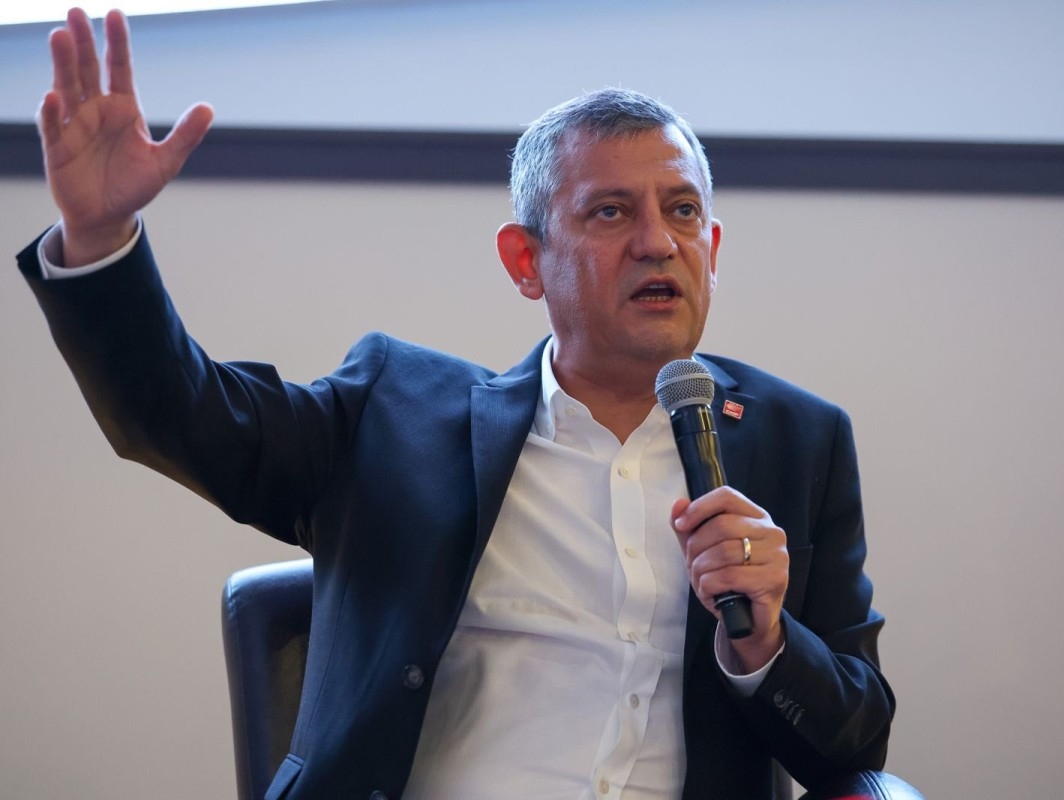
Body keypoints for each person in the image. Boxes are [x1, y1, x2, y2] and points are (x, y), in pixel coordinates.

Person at [18, 8, 894, 800]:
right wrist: (99, 240)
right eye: (610, 212)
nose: (657, 242)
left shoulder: (799, 440)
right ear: (526, 261)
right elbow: (184, 415)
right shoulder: (396, 416)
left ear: (713, 247)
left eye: (682, 210)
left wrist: (765, 643)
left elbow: (855, 744)